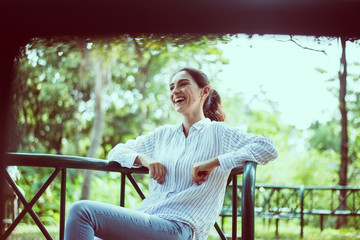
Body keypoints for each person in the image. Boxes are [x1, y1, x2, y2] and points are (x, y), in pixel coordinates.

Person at [64, 67, 278, 240]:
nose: (175, 91)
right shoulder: (162, 135)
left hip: (179, 228)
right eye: (171, 87)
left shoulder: (219, 132)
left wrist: (214, 162)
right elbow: (116, 151)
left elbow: (268, 148)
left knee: (82, 212)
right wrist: (145, 159)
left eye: (183, 84)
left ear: (204, 92)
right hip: (147, 219)